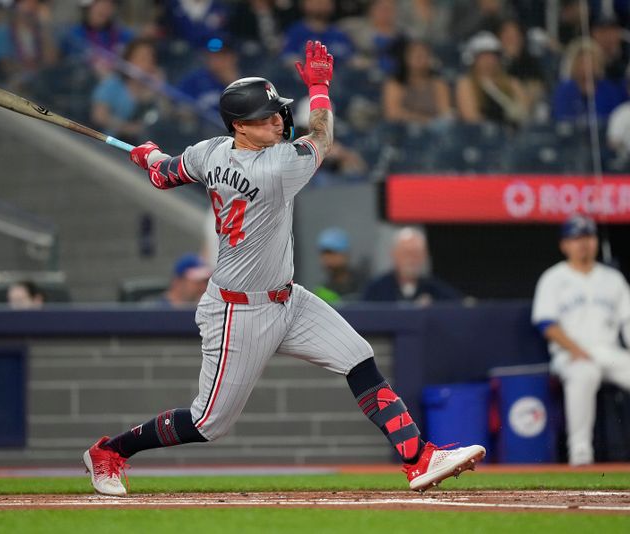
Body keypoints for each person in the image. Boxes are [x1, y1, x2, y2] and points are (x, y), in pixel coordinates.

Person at [82, 41, 485, 497]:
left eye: (276, 111)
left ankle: (418, 458)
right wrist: (319, 86)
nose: (277, 119)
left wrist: (149, 157)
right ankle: (108, 452)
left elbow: (167, 173)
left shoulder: (209, 151)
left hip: (286, 297)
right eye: (264, 116)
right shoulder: (275, 168)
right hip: (238, 313)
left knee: (357, 356)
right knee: (208, 422)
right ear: (240, 126)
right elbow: (323, 136)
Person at [531, 215, 630, 466]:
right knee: (585, 373)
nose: (583, 244)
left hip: (608, 351)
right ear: (565, 245)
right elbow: (546, 324)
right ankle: (581, 453)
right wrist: (575, 349)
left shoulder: (613, 278)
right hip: (570, 354)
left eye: (588, 237)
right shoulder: (553, 278)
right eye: (576, 238)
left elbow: (627, 321)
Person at [90, 38, 164, 145]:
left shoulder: (152, 91)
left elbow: (163, 117)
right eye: (142, 58)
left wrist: (158, 90)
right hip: (108, 145)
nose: (147, 63)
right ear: (129, 59)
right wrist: (128, 128)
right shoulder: (113, 84)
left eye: (150, 59)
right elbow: (99, 116)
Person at [361, 227, 461, 304]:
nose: (411, 259)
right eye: (406, 253)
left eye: (416, 254)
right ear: (394, 255)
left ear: (424, 256)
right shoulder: (376, 289)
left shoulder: (437, 290)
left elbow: (462, 306)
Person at [455, 31, 529, 128]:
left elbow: (525, 112)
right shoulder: (466, 84)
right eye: (483, 56)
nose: (489, 61)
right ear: (473, 59)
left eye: (492, 56)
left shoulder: (512, 83)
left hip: (514, 134)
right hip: (482, 136)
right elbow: (471, 118)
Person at [0, 0, 59, 91]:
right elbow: (4, 65)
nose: (32, 8)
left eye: (37, 4)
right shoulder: (2, 30)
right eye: (28, 3)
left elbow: (51, 63)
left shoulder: (40, 36)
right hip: (2, 87)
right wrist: (28, 76)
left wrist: (45, 27)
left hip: (35, 91)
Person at [552, 37, 628, 124]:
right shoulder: (563, 90)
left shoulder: (611, 90)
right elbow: (559, 119)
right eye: (582, 62)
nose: (586, 67)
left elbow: (617, 119)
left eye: (591, 61)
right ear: (574, 65)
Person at [382, 38, 453, 126]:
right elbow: (393, 114)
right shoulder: (395, 83)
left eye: (424, 55)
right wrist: (423, 120)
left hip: (433, 130)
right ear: (406, 57)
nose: (419, 58)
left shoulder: (439, 84)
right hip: (403, 130)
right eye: (415, 54)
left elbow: (445, 112)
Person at [313, 227, 363, 304]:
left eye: (332, 252)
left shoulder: (364, 285)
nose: (327, 258)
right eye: (323, 254)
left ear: (345, 254)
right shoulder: (321, 292)